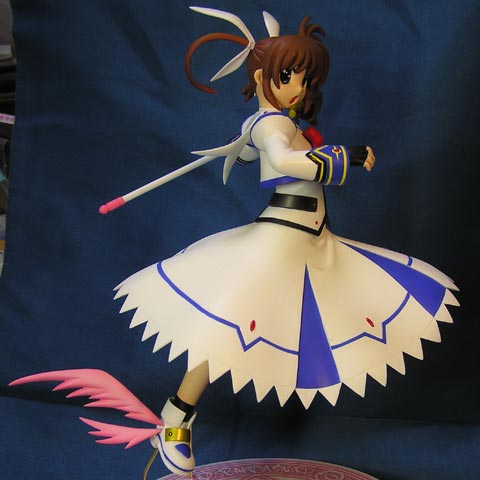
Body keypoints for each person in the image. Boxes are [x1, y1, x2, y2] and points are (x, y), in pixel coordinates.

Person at [115, 7, 458, 476]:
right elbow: (284, 162)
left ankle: (176, 417)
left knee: (243, 330)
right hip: (282, 238)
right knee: (226, 328)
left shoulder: (282, 122)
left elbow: (275, 156)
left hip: (308, 237)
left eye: (304, 79)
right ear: (262, 77)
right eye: (288, 76)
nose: (298, 87)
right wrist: (343, 155)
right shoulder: (269, 125)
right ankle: (176, 421)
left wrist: (297, 147)